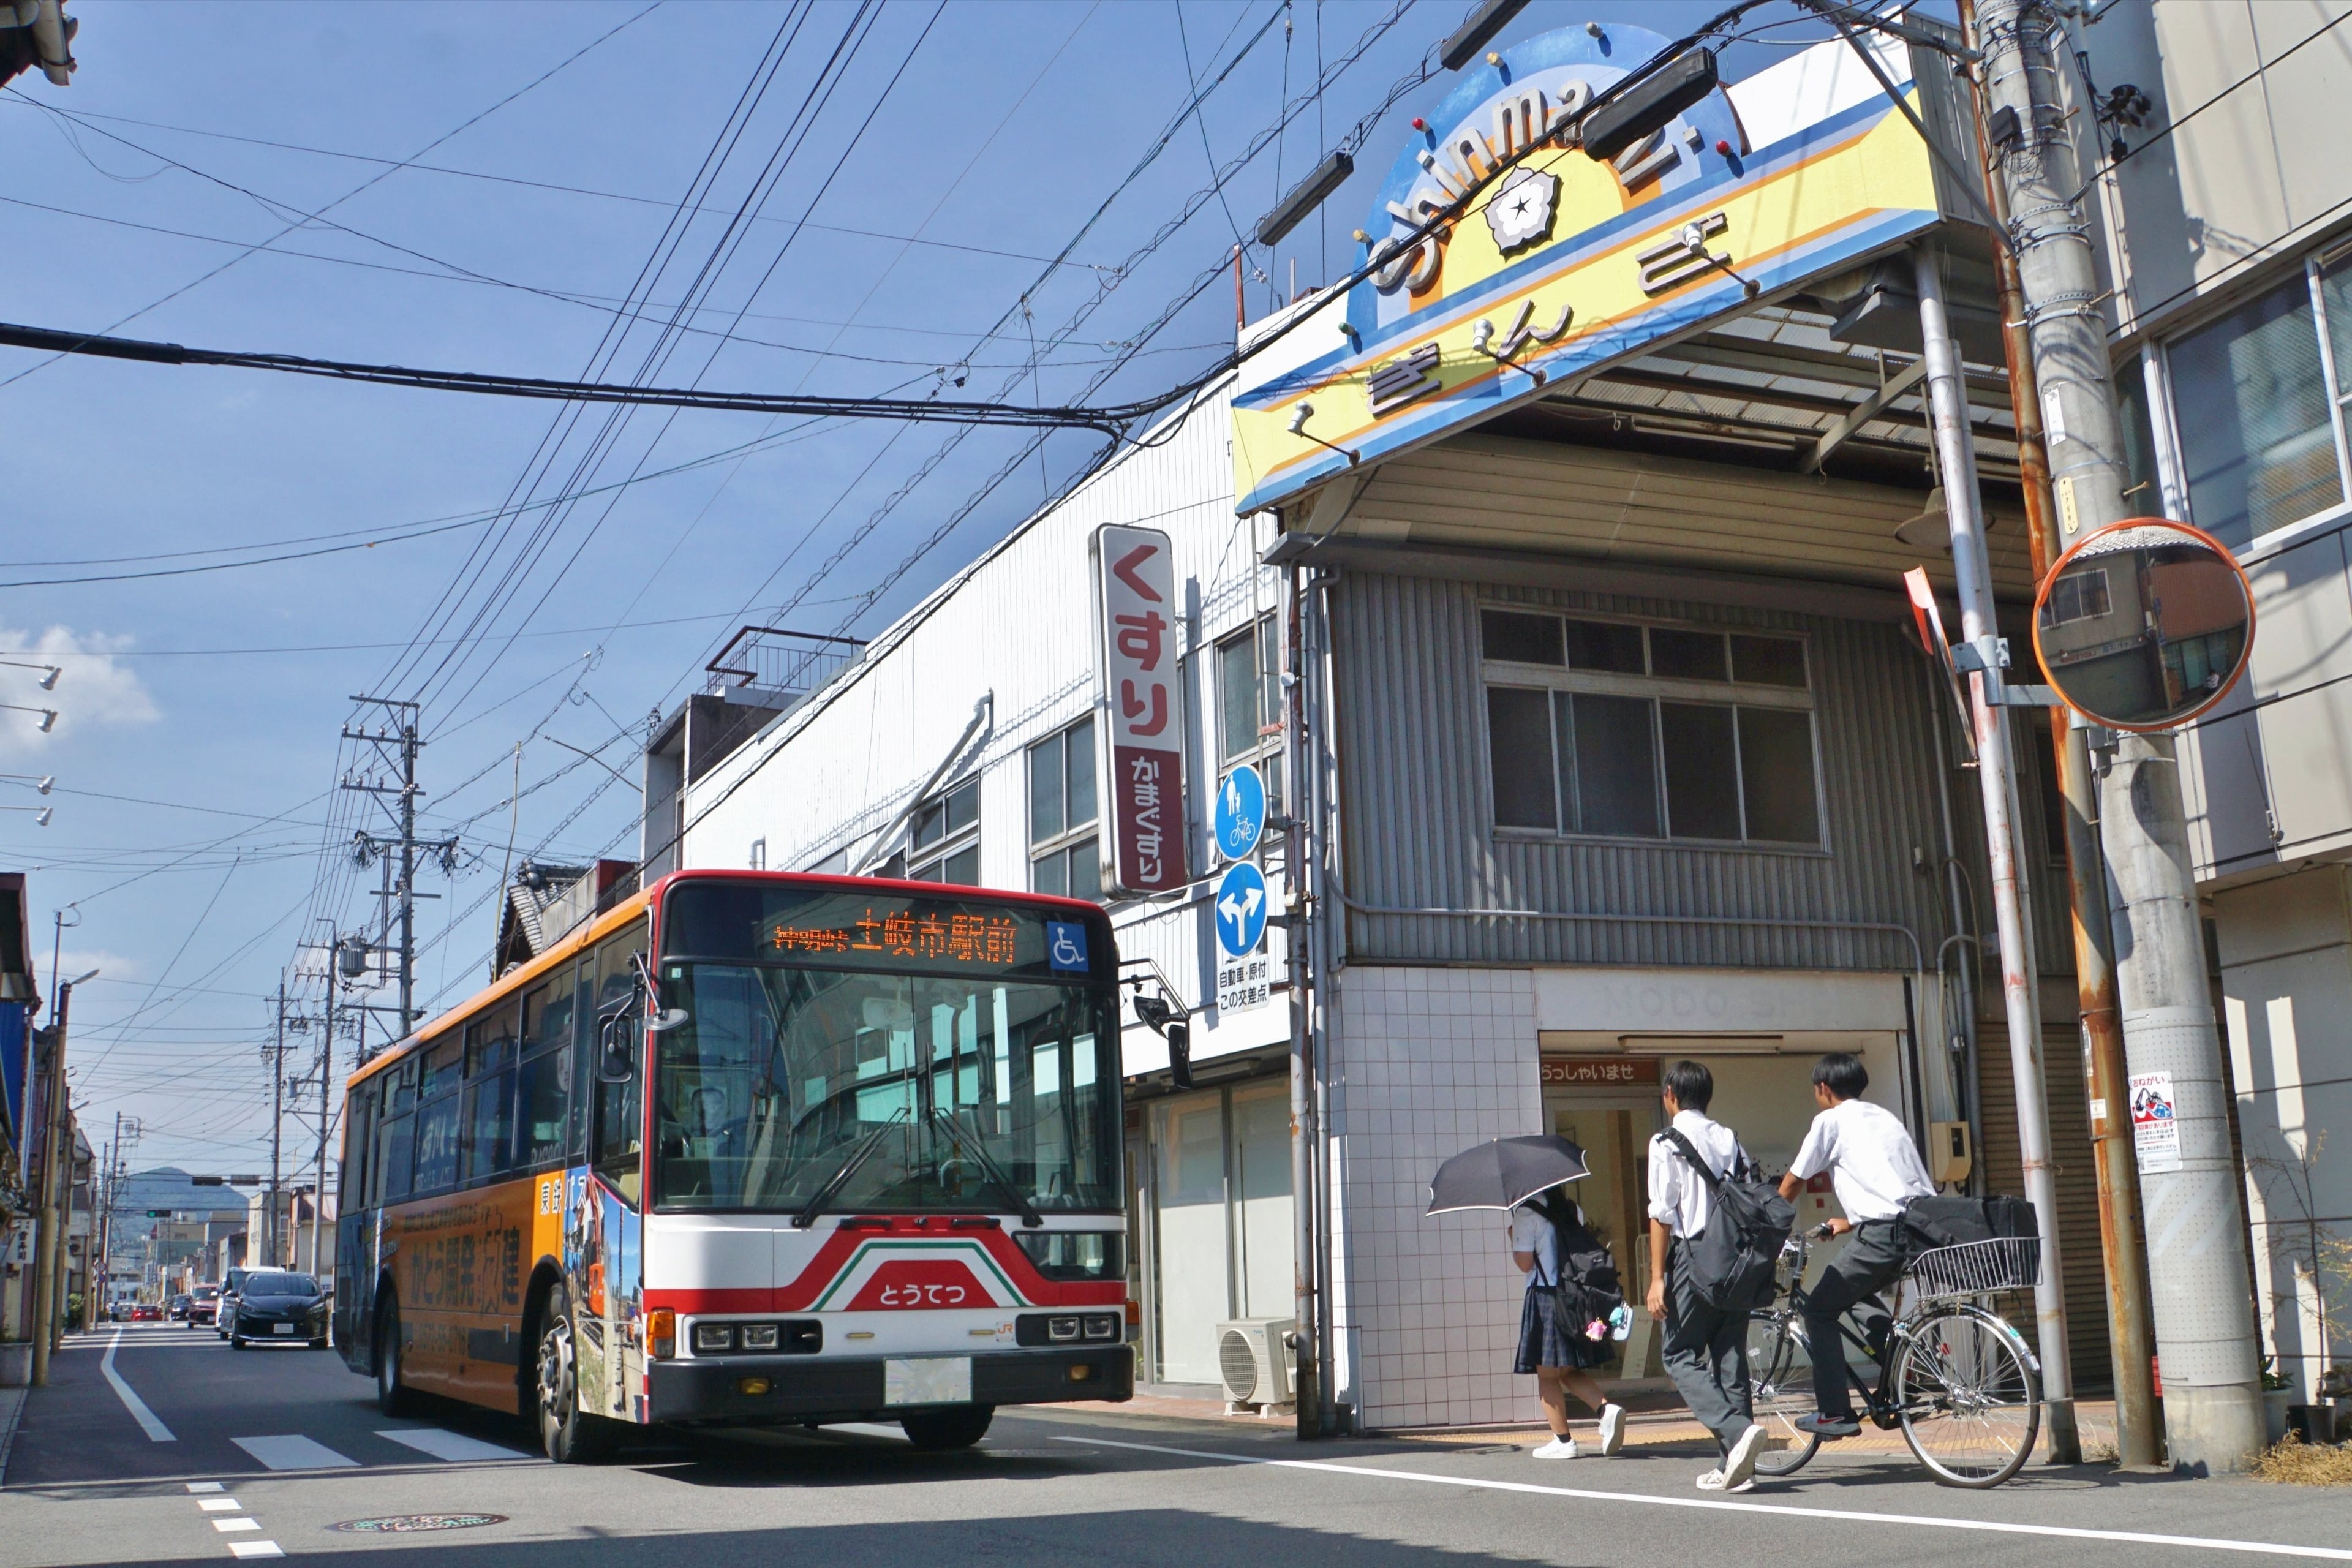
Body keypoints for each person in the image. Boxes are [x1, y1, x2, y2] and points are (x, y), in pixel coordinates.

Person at [1775, 1052, 1937, 1438]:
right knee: (1856, 1297)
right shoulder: (1884, 1117)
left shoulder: (1830, 1120)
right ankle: (1901, 1377)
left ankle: (1835, 1413)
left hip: (1880, 1236)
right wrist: (1848, 1222)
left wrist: (1766, 1225)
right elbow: (1893, 1186)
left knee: (1818, 1311)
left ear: (1823, 1088)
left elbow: (1794, 1182)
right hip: (1918, 1228)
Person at [1645, 1060, 1768, 1493]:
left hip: (1694, 1255)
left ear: (1672, 1095)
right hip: (1736, 1257)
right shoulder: (1728, 1138)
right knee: (1729, 1356)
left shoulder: (1665, 1141)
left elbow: (1662, 1214)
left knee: (1678, 1354)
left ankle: (1736, 1434)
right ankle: (1736, 1468)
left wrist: (1657, 1277)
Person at [1509, 1185, 1628, 1459]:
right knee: (1566, 1370)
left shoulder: (1526, 1213)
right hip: (1574, 1297)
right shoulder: (1573, 1209)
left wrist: (1513, 1237)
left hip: (1545, 1297)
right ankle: (1606, 1410)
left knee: (1547, 1375)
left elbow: (1525, 1263)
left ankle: (1563, 1441)